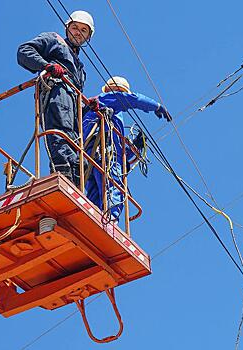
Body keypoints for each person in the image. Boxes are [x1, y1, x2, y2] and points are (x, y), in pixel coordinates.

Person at [17, 10, 94, 187]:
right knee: (60, 139)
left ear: (88, 36)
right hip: (56, 94)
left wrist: (90, 107)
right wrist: (47, 66)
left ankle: (73, 185)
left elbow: (77, 102)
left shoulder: (80, 68)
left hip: (72, 110)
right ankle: (63, 179)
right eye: (75, 27)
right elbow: (24, 51)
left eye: (83, 30)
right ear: (67, 28)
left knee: (78, 156)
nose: (78, 32)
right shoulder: (54, 40)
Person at [82, 76, 172, 221]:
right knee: (114, 186)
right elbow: (133, 99)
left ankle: (93, 219)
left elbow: (119, 152)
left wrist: (135, 146)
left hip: (90, 156)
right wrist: (156, 106)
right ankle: (111, 219)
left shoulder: (105, 112)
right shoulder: (108, 98)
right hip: (103, 151)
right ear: (118, 90)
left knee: (96, 193)